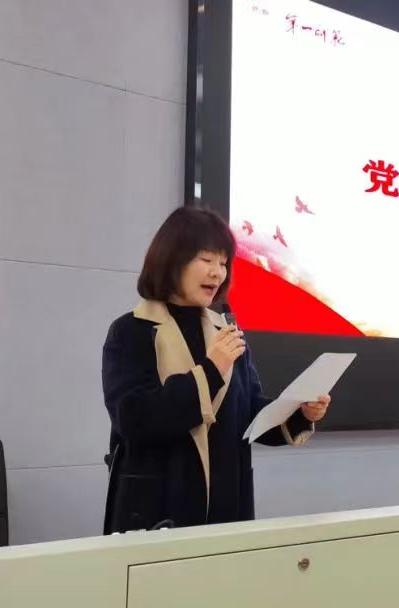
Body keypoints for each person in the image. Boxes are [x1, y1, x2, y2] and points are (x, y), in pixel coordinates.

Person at [102, 206, 330, 533]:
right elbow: (135, 419)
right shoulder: (132, 331)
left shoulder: (226, 331)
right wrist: (211, 370)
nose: (217, 273)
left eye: (223, 263)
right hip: (157, 515)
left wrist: (299, 413)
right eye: (206, 260)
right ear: (172, 260)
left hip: (227, 512)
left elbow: (249, 414)